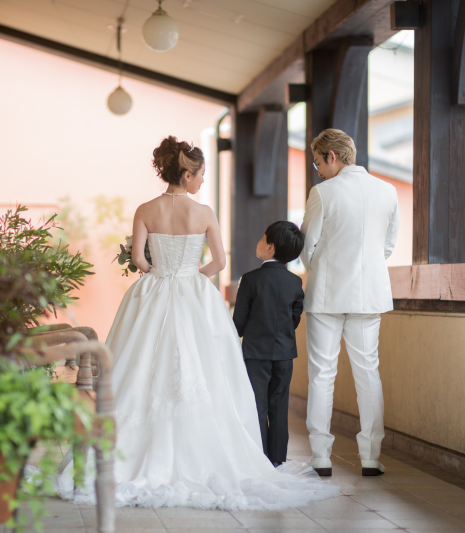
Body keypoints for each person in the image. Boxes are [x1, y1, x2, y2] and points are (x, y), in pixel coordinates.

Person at [63, 136, 338, 510]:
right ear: (187, 174)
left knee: (139, 363)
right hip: (194, 293)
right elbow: (220, 262)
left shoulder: (145, 209)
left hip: (154, 291)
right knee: (206, 366)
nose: (203, 180)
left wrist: (161, 272)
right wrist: (193, 276)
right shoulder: (205, 213)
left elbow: (139, 260)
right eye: (201, 174)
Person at [300, 129, 399, 477]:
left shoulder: (323, 193)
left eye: (317, 162)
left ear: (332, 156)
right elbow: (388, 246)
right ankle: (370, 457)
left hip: (327, 295)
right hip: (369, 295)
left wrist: (324, 268)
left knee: (322, 374)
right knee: (368, 373)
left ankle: (320, 456)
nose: (317, 171)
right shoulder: (388, 191)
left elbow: (306, 246)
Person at [232, 221, 305, 468]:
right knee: (279, 405)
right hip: (284, 353)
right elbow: (294, 319)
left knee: (257, 405)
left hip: (255, 353)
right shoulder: (295, 282)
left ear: (270, 247)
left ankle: (259, 457)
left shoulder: (250, 280)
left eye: (263, 238)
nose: (259, 242)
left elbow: (239, 323)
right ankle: (278, 458)